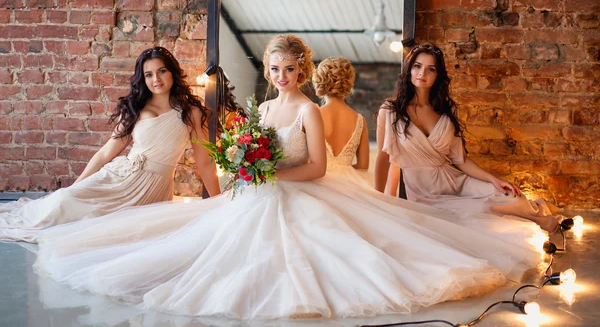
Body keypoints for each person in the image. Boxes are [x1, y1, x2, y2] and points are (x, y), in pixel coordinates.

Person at [34, 36, 544, 320]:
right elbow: (248, 152)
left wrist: (271, 170)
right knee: (200, 247)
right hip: (259, 193)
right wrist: (245, 166)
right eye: (273, 69)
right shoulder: (267, 108)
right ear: (269, 70)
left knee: (333, 259)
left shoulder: (308, 110)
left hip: (304, 191)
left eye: (288, 70)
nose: (281, 77)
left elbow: (319, 167)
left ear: (303, 70)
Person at [0, 47, 220, 243]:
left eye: (162, 71)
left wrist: (219, 203)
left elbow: (204, 163)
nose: (156, 79)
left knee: (104, 228)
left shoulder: (190, 113)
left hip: (151, 188)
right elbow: (106, 152)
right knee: (64, 201)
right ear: (143, 79)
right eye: (149, 74)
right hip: (120, 176)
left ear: (172, 72)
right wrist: (75, 185)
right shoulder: (137, 108)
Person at [374, 43, 561, 233]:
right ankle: (538, 219)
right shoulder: (391, 111)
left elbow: (460, 159)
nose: (423, 73)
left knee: (508, 195)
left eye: (431, 69)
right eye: (417, 66)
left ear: (437, 75)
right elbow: (383, 159)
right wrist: (378, 200)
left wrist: (493, 180)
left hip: (455, 179)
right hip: (426, 193)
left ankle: (538, 208)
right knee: (481, 210)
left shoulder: (445, 110)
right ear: (408, 70)